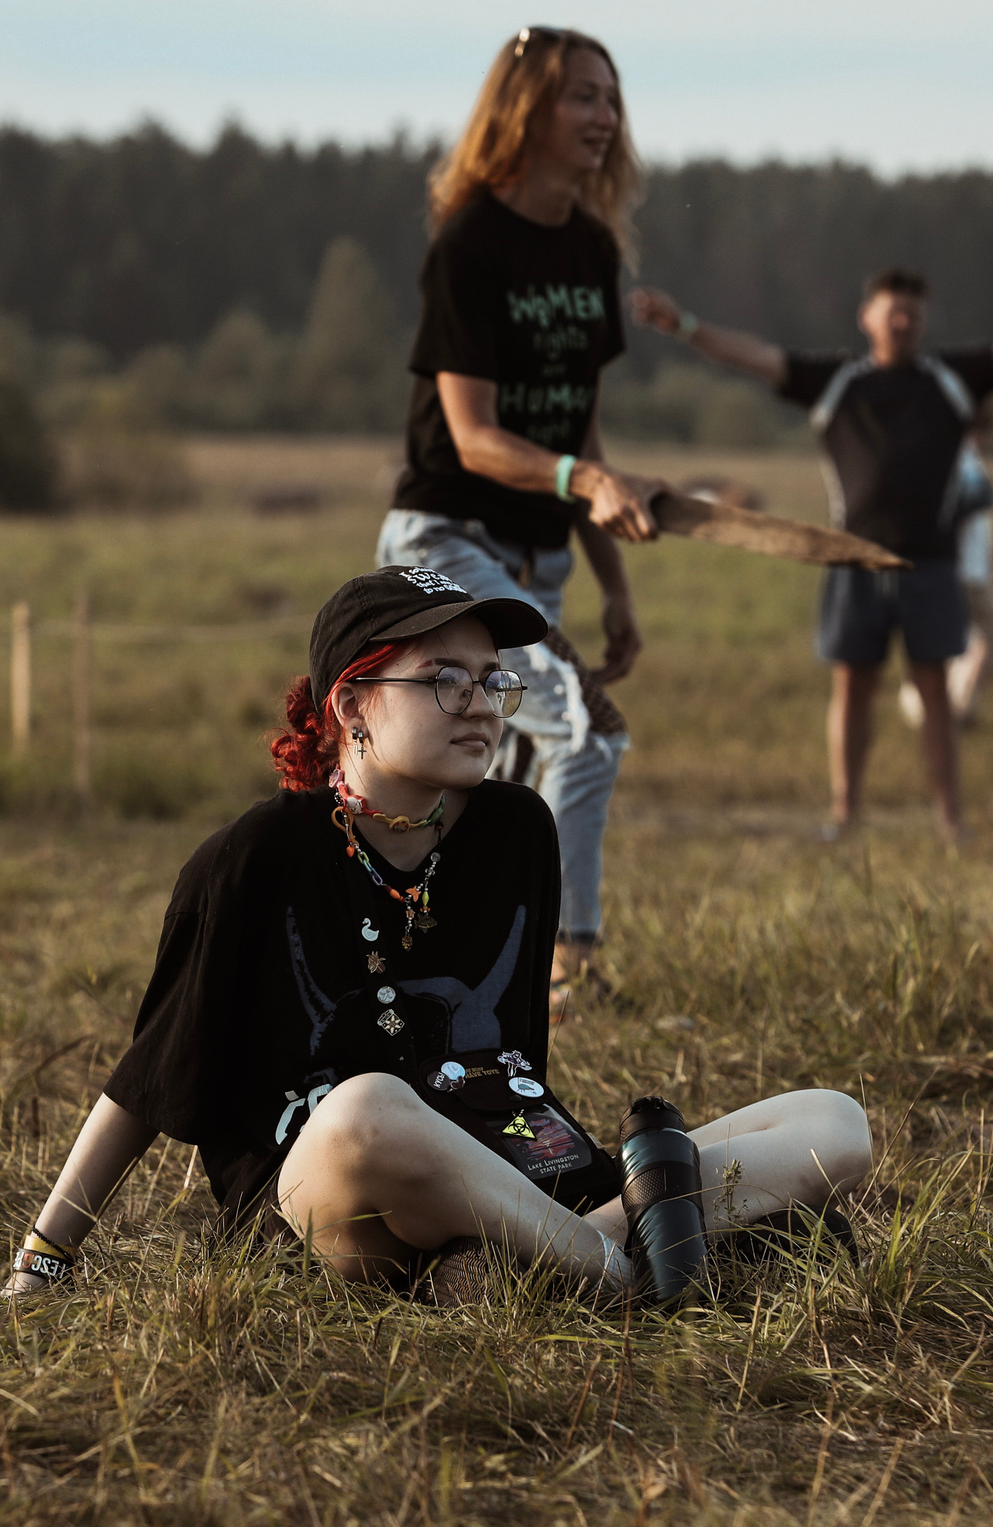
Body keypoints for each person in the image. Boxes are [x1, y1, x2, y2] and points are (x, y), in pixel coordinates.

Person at [0, 569, 875, 1303]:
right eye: (445, 679)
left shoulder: (518, 830)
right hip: (337, 1197)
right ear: (353, 705)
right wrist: (46, 1255)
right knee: (369, 1108)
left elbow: (515, 1060)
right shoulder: (256, 854)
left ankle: (538, 1263)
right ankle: (632, 1257)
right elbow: (146, 1080)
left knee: (834, 1126)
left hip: (510, 1174)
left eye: (494, 680)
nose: (483, 706)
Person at [632, 266, 993, 840]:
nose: (903, 321)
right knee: (853, 687)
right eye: (893, 310)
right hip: (852, 561)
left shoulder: (951, 379)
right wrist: (686, 326)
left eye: (914, 314)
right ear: (867, 316)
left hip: (931, 564)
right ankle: (845, 813)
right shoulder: (836, 382)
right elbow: (754, 357)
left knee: (935, 690)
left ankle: (951, 819)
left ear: (924, 322)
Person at [379, 26, 667, 1020]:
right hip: (446, 547)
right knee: (582, 735)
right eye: (581, 98)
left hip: (540, 560)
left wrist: (614, 583)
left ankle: (457, 967)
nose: (603, 117)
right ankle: (572, 967)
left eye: (610, 98)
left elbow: (576, 429)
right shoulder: (470, 243)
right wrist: (586, 477)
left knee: (499, 770)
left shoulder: (590, 250)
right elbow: (474, 436)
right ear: (525, 110)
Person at [899, 402, 993, 729]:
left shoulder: (950, 456)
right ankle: (953, 707)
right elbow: (963, 512)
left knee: (953, 643)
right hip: (960, 570)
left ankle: (938, 705)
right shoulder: (964, 457)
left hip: (968, 569)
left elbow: (981, 527)